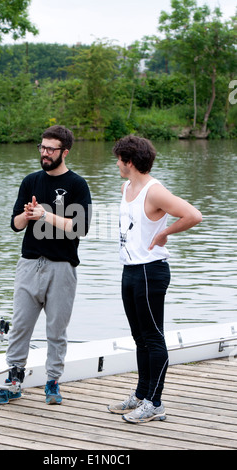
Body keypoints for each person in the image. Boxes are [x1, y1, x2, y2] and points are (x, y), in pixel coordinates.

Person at [0, 125, 92, 405]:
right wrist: (27, 216)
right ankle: (13, 380)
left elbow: (80, 228)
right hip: (29, 264)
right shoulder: (31, 181)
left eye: (51, 149)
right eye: (42, 147)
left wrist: (45, 215)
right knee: (21, 325)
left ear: (65, 152)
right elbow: (15, 224)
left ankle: (53, 382)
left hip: (62, 267)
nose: (45, 153)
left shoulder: (77, 185)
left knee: (56, 330)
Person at [108, 135, 202, 423]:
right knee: (139, 338)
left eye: (119, 159)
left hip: (151, 271)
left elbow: (193, 215)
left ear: (130, 162)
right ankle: (140, 394)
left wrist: (164, 234)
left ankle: (155, 403)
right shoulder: (126, 187)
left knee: (153, 337)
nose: (117, 163)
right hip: (130, 269)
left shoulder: (154, 191)